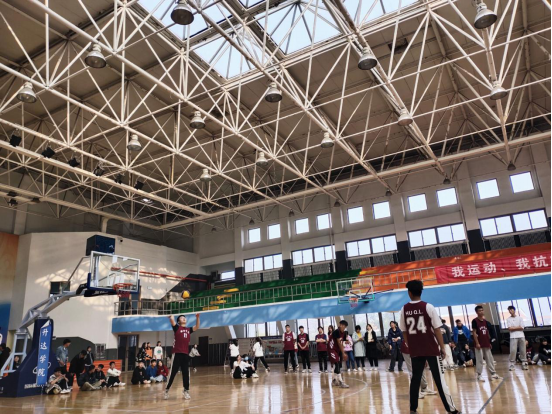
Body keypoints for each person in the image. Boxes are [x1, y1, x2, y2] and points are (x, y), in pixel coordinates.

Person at [399, 280, 461, 414]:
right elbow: (437, 329)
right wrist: (442, 347)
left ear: (409, 293)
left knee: (415, 379)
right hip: (431, 348)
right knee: (440, 380)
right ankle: (451, 409)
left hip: (415, 350)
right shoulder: (428, 307)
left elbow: (404, 331)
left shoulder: (404, 309)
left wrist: (410, 345)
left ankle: (413, 409)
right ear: (421, 292)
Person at [164, 313, 200, 400]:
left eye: (184, 317)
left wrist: (197, 317)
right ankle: (166, 390)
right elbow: (172, 321)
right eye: (181, 318)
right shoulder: (177, 328)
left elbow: (197, 326)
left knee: (186, 374)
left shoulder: (188, 329)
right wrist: (171, 317)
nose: (184, 318)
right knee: (172, 373)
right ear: (178, 321)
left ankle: (186, 391)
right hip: (177, 354)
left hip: (185, 354)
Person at [472, 305, 501, 382]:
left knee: (490, 359)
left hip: (486, 343)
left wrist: (489, 342)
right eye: (480, 310)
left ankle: (493, 373)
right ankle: (479, 375)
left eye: (482, 310)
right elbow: (474, 333)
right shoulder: (475, 321)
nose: (481, 311)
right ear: (477, 312)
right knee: (480, 360)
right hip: (479, 344)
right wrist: (477, 343)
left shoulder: (486, 322)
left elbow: (487, 333)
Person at [328, 320, 350, 389]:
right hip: (331, 349)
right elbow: (338, 343)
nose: (342, 326)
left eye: (343, 326)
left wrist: (343, 351)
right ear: (339, 325)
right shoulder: (336, 332)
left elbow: (342, 343)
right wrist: (343, 353)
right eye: (341, 325)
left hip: (338, 350)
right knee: (337, 363)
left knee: (339, 365)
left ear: (345, 327)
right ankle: (341, 382)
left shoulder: (344, 333)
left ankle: (334, 380)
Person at [506, 305, 528, 371]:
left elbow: (522, 327)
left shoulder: (520, 318)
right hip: (513, 336)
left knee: (523, 350)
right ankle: (512, 364)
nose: (510, 311)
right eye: (509, 310)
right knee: (513, 351)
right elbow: (510, 328)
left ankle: (524, 363)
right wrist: (518, 327)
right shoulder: (508, 319)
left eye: (511, 309)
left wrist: (514, 328)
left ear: (514, 310)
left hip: (521, 336)